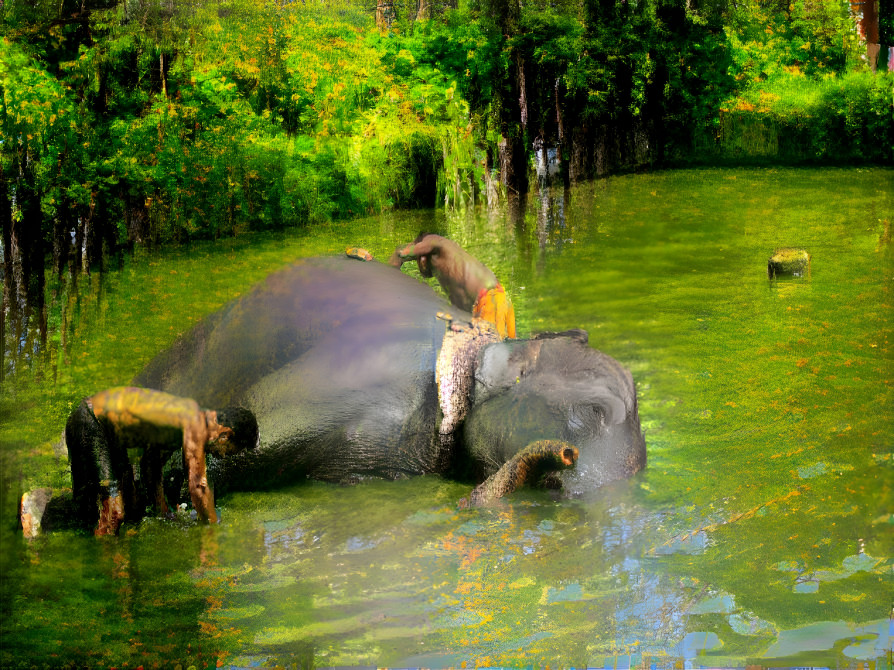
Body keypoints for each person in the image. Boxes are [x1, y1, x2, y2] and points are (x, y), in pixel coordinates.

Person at [65, 386, 259, 536]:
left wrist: (163, 512)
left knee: (133, 511)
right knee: (114, 515)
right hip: (91, 423)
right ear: (225, 435)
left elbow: (151, 464)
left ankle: (110, 558)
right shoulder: (195, 420)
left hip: (110, 438)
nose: (223, 456)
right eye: (229, 452)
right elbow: (198, 485)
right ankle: (109, 579)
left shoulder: (177, 425)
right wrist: (213, 530)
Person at [389, 233, 516, 338]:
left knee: (491, 351)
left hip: (491, 301)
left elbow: (427, 245)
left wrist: (404, 252)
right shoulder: (448, 262)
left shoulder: (432, 242)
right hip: (497, 298)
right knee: (508, 353)